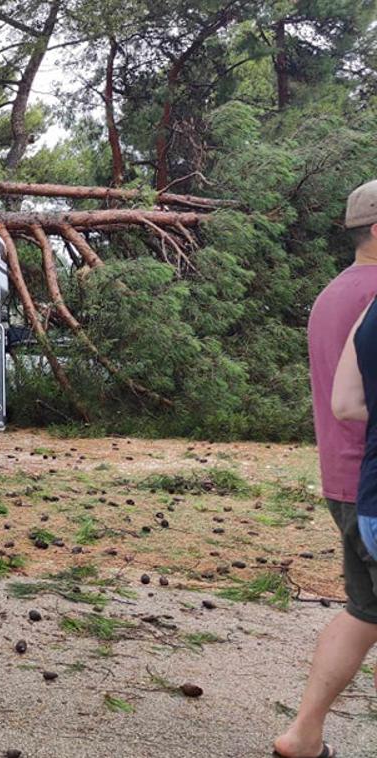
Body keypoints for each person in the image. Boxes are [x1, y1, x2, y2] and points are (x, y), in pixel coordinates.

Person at [274, 179, 377, 758]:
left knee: (366, 611)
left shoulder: (334, 293)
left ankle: (303, 734)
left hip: (345, 480)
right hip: (373, 478)